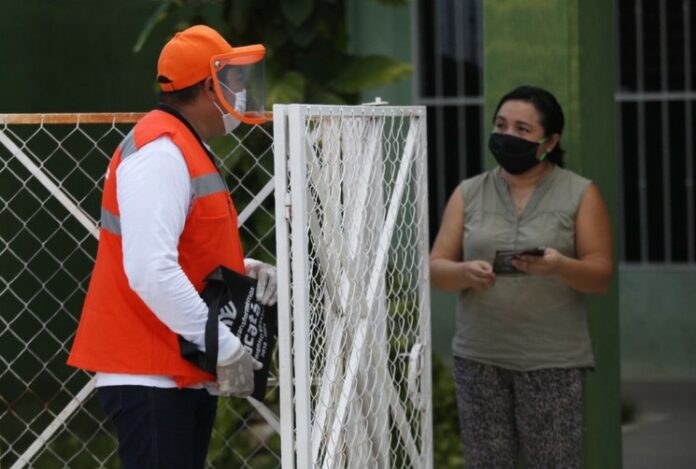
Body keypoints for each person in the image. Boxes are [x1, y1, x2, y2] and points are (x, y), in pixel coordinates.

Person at [67, 25, 276, 469]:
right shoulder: (161, 152)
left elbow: (179, 250)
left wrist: (245, 266)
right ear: (208, 86)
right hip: (152, 377)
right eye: (234, 81)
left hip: (171, 372)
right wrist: (222, 344)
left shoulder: (178, 144)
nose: (241, 92)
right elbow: (150, 270)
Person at [429, 85, 613, 468]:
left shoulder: (581, 194)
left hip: (552, 362)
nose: (507, 137)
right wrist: (465, 272)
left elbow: (600, 277)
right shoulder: (469, 192)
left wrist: (559, 265)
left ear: (549, 142)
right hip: (480, 358)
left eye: (522, 130)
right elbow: (435, 271)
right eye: (501, 125)